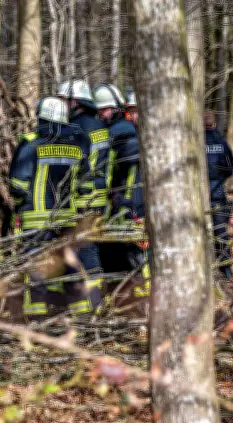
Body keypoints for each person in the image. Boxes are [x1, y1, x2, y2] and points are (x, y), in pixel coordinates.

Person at [9, 96, 95, 319]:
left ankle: (37, 316)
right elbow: (86, 185)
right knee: (70, 264)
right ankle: (82, 315)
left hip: (37, 219)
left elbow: (18, 185)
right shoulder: (77, 143)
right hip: (67, 217)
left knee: (36, 267)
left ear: (41, 117)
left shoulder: (31, 142)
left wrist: (19, 204)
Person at [92, 83, 150, 300]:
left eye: (104, 110)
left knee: (136, 258)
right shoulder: (131, 134)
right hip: (123, 210)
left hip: (131, 210)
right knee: (118, 257)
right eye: (131, 111)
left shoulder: (123, 134)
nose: (101, 115)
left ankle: (142, 301)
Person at [56, 79, 110, 305]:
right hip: (99, 198)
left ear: (74, 102)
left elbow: (75, 166)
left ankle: (91, 302)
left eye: (63, 101)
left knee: (82, 251)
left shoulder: (75, 129)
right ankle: (95, 301)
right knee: (90, 249)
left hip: (80, 200)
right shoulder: (100, 127)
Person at [204, 111, 233, 280]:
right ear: (214, 124)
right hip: (217, 193)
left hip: (197, 195)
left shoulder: (193, 142)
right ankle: (226, 267)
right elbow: (229, 167)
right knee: (220, 230)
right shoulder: (221, 142)